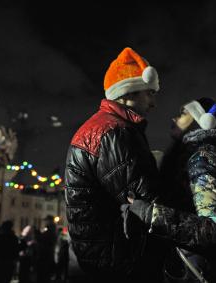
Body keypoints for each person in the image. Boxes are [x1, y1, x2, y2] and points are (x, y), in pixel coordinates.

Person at [64, 47, 161, 282]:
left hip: (97, 257)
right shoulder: (114, 131)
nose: (153, 103)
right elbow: (146, 201)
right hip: (114, 262)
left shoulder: (103, 126)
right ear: (129, 92)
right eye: (149, 93)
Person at [122, 97, 216, 282]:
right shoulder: (187, 157)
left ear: (200, 121)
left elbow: (215, 231)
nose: (174, 118)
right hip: (184, 264)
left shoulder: (203, 158)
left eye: (183, 113)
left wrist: (150, 214)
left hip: (196, 267)